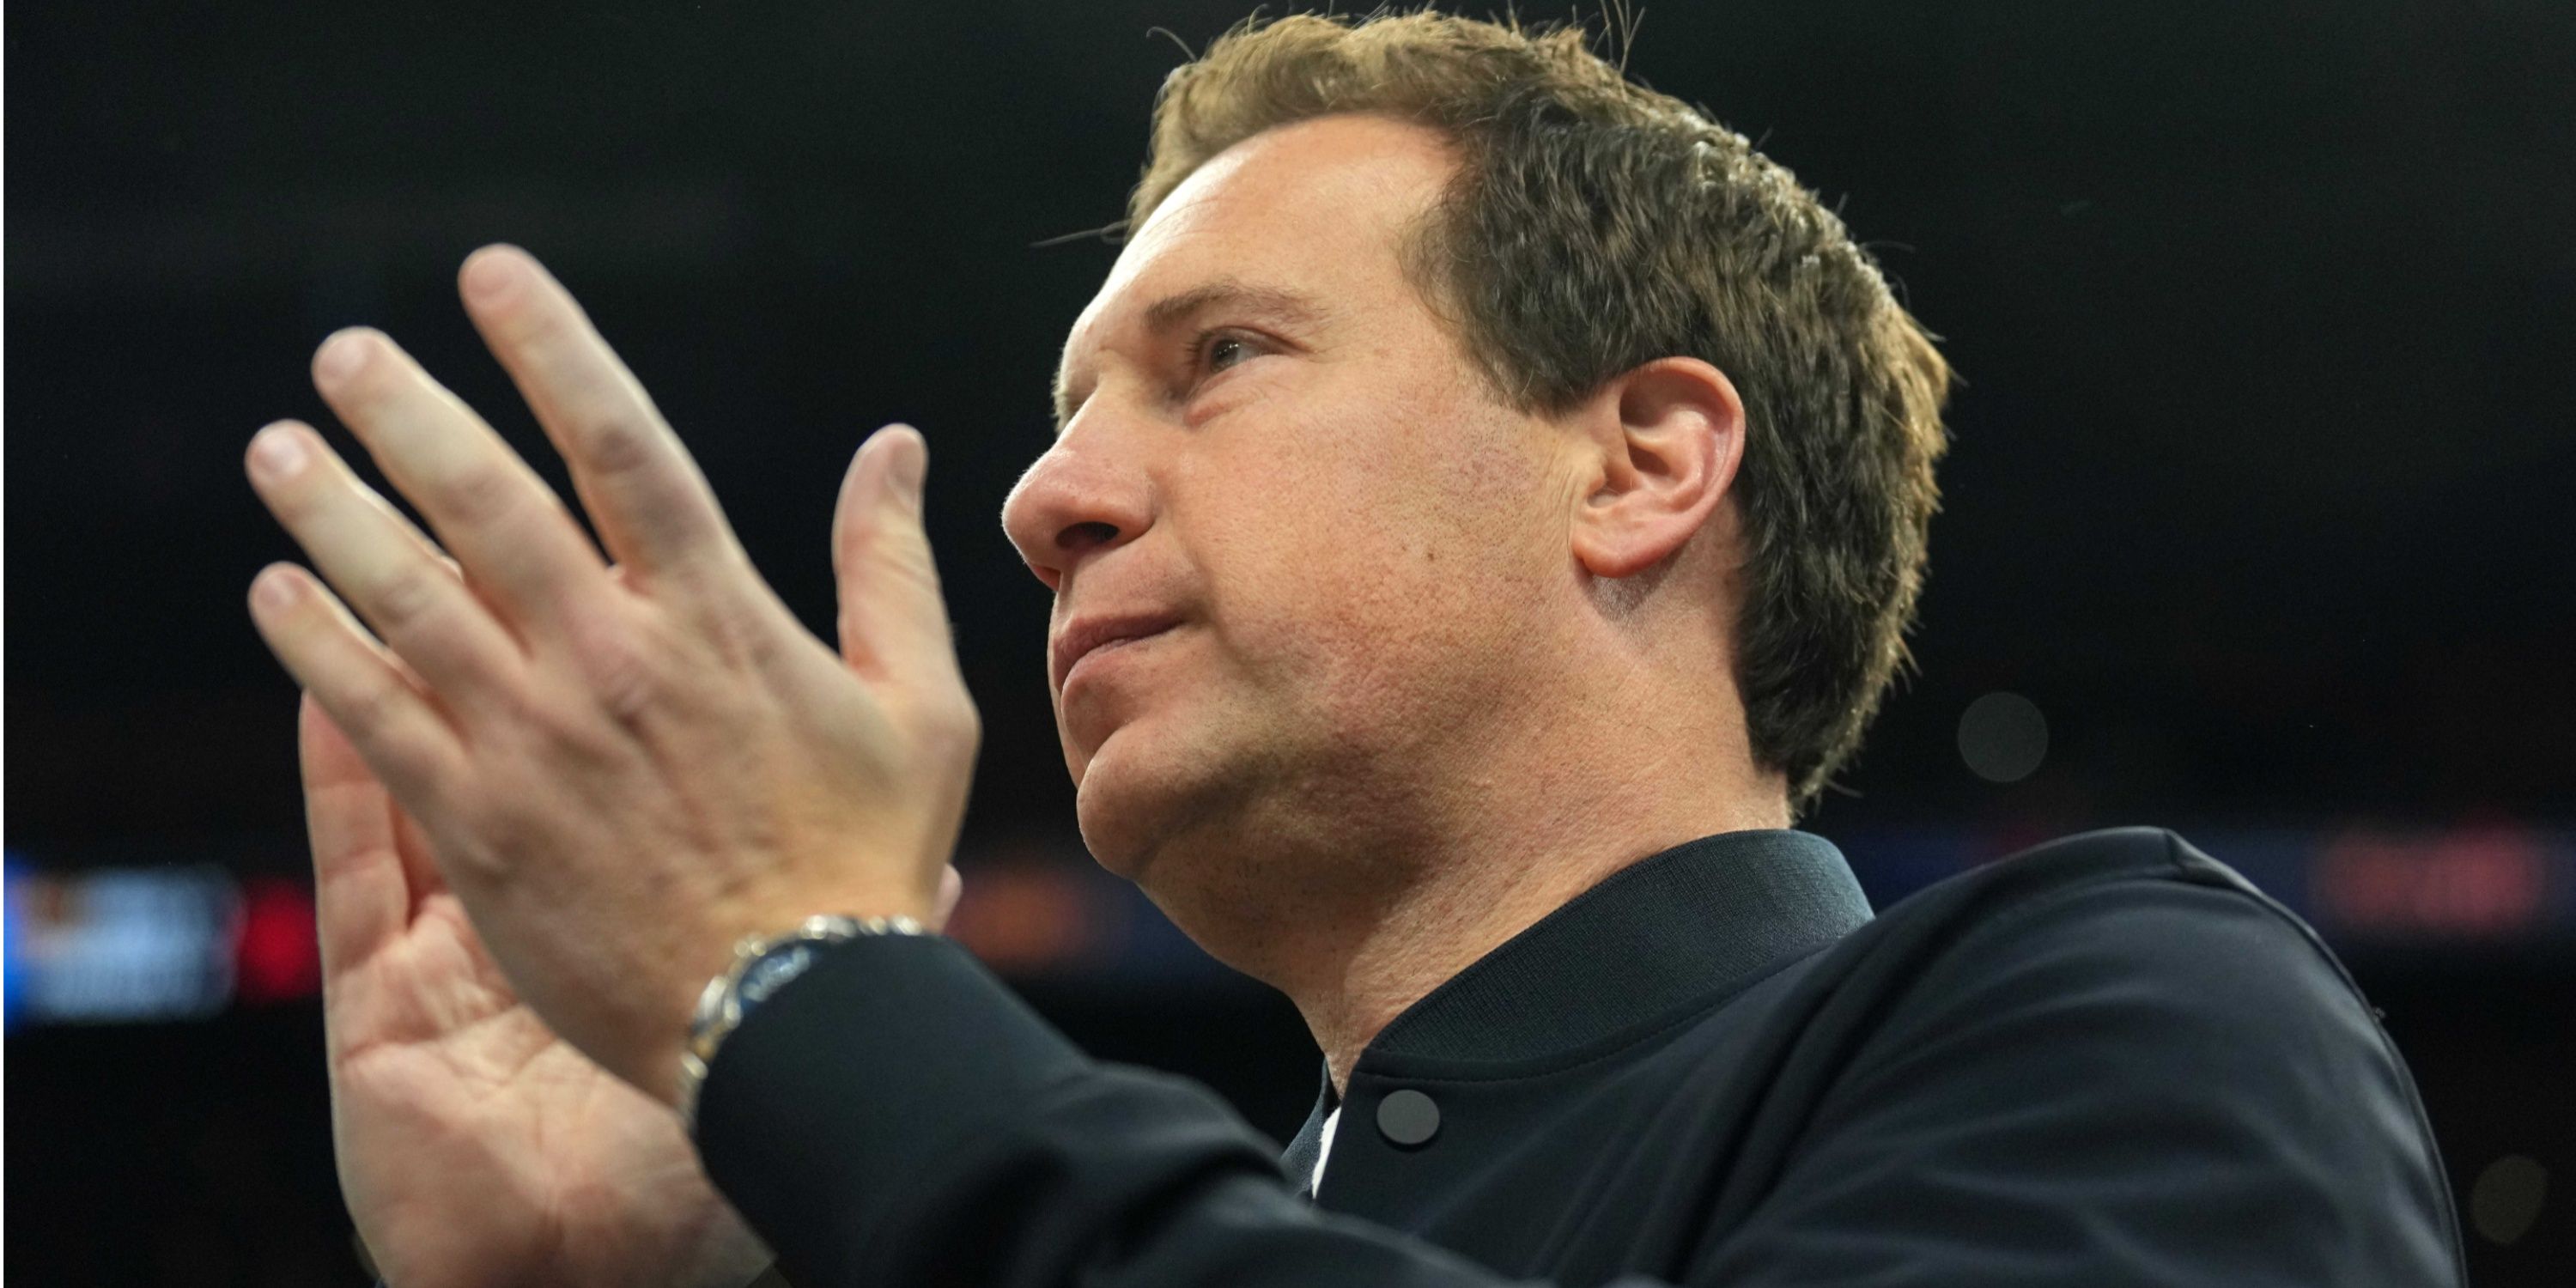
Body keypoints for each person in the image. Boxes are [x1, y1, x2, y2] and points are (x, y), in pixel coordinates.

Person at [240, 11, 2464, 1288]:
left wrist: (807, 995)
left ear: (1642, 461)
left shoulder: (2139, 1005)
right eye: (1059, 417)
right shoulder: (1207, 1205)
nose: (1049, 499)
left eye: (1215, 358)